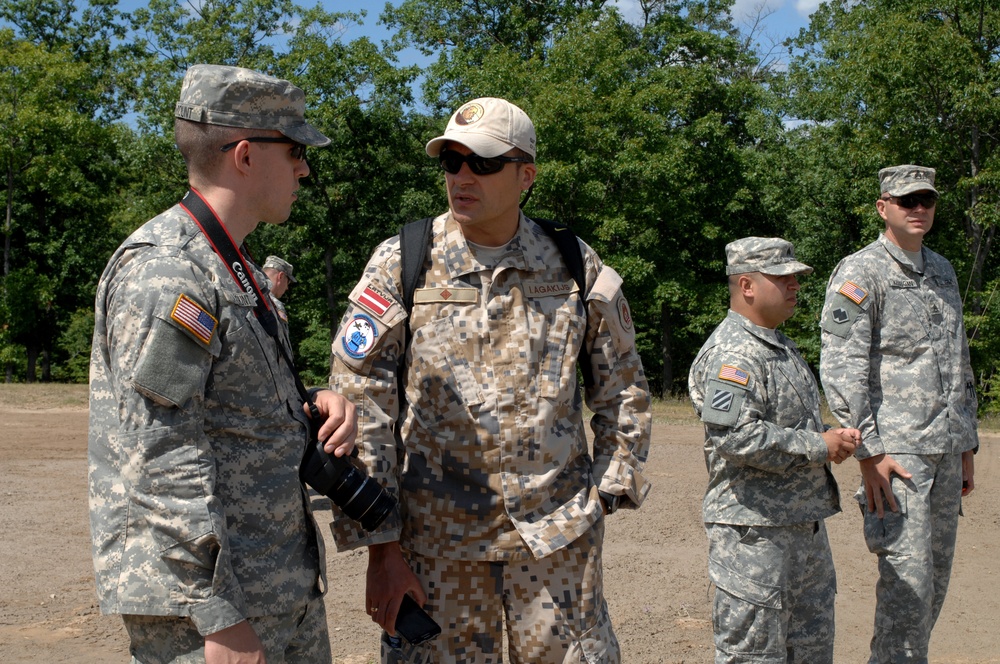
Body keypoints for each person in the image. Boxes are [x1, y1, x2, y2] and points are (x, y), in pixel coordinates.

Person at [327, 97, 652, 663]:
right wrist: (381, 547)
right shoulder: (404, 260)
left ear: (525, 175)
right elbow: (362, 403)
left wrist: (604, 492)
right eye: (450, 162)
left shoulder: (572, 262)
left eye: (481, 162)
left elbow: (623, 387)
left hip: (557, 550)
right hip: (436, 553)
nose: (461, 177)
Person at [88, 64, 358, 664]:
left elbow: (228, 404)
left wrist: (313, 401)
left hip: (277, 591)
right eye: (294, 151)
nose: (305, 168)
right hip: (216, 617)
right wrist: (217, 614)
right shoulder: (168, 273)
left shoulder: (238, 272)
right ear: (244, 155)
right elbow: (157, 452)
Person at [820, 165, 978, 664]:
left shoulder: (943, 270)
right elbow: (842, 366)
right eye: (907, 200)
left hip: (946, 450)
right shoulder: (860, 272)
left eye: (926, 200)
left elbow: (959, 359)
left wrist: (967, 444)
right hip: (898, 455)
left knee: (932, 588)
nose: (918, 209)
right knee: (906, 592)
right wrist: (869, 452)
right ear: (882, 207)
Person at [688, 237, 860, 664]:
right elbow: (734, 437)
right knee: (754, 656)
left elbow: (784, 424)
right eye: (782, 278)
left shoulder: (777, 344)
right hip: (755, 537)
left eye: (796, 278)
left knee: (810, 651)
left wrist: (827, 438)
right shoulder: (732, 353)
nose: (795, 286)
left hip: (801, 528)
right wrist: (817, 445)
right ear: (746, 285)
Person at [263, 254, 296, 327]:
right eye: (288, 282)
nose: (287, 287)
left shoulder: (246, 291)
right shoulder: (274, 305)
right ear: (280, 276)